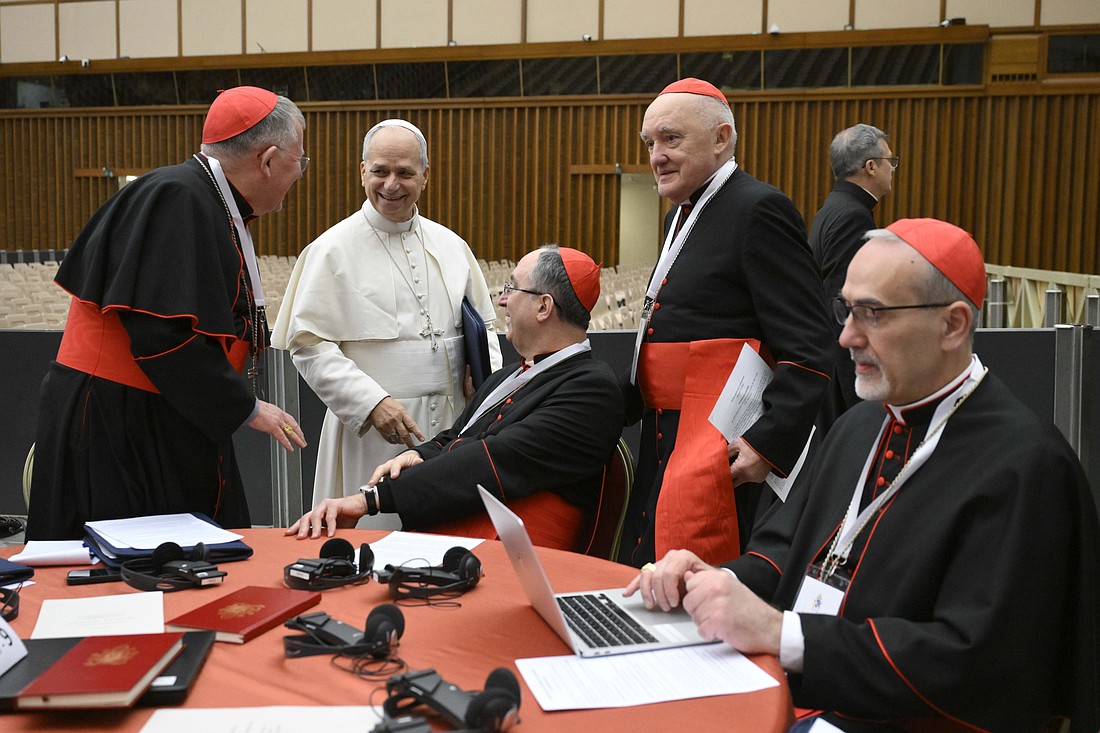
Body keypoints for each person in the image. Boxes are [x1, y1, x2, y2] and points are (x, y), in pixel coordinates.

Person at [626, 219, 1100, 732]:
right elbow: (789, 548)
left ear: (953, 325)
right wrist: (719, 580)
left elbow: (975, 660)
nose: (847, 336)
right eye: (846, 310)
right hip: (808, 692)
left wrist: (781, 633)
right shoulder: (858, 425)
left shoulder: (1025, 466)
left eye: (872, 314)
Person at [26, 86, 309, 540]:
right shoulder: (177, 198)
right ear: (269, 159)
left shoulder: (205, 199)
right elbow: (164, 337)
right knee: (132, 570)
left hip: (157, 410)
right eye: (300, 160)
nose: (300, 173)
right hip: (121, 422)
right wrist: (247, 407)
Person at [619, 77, 834, 567]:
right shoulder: (685, 211)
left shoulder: (758, 208)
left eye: (671, 139)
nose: (656, 155)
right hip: (665, 432)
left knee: (702, 583)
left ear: (721, 139)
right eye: (649, 143)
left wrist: (769, 443)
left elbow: (810, 340)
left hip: (722, 441)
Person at [289, 245, 625, 551]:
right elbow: (459, 435)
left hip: (512, 561)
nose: (503, 300)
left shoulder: (590, 389)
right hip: (467, 540)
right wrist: (419, 456)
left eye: (512, 288)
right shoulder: (508, 375)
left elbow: (493, 460)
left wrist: (372, 501)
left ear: (543, 306)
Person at [271, 119, 502, 528]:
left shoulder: (452, 246)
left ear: (425, 176)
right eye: (380, 171)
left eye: (405, 173)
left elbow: (484, 327)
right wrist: (371, 402)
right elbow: (309, 345)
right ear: (362, 171)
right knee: (375, 550)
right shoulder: (331, 250)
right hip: (374, 434)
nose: (391, 184)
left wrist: (483, 381)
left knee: (449, 545)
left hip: (451, 425)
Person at [810, 124, 897, 419]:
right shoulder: (852, 216)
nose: (892, 169)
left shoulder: (834, 208)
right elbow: (844, 304)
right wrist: (858, 398)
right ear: (871, 167)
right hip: (840, 368)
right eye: (890, 161)